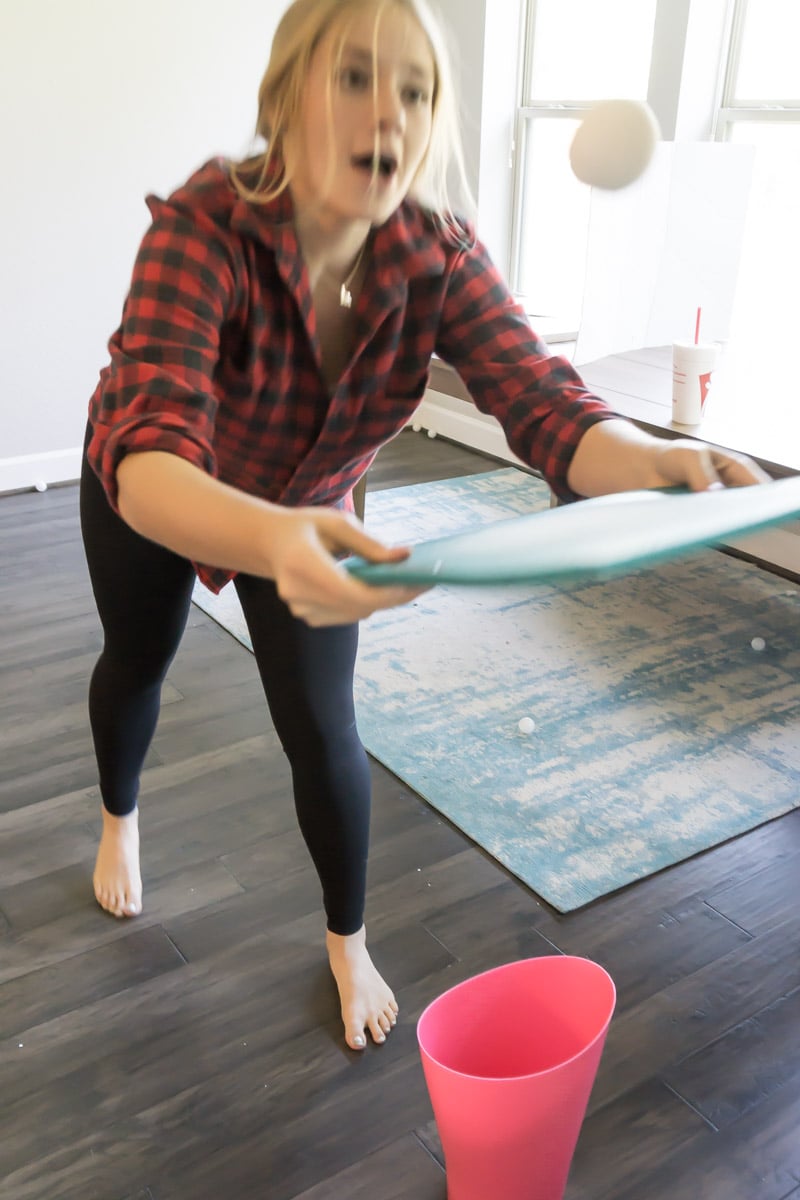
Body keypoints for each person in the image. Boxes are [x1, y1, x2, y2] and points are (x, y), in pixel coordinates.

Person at [80, 0, 769, 1052]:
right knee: (139, 656)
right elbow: (150, 450)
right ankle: (119, 818)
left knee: (324, 731)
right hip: (167, 493)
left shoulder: (435, 254)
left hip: (308, 512)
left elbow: (541, 401)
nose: (390, 115)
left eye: (415, 91)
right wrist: (268, 539)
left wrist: (649, 461)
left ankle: (346, 939)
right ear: (283, 97)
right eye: (356, 78)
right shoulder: (203, 222)